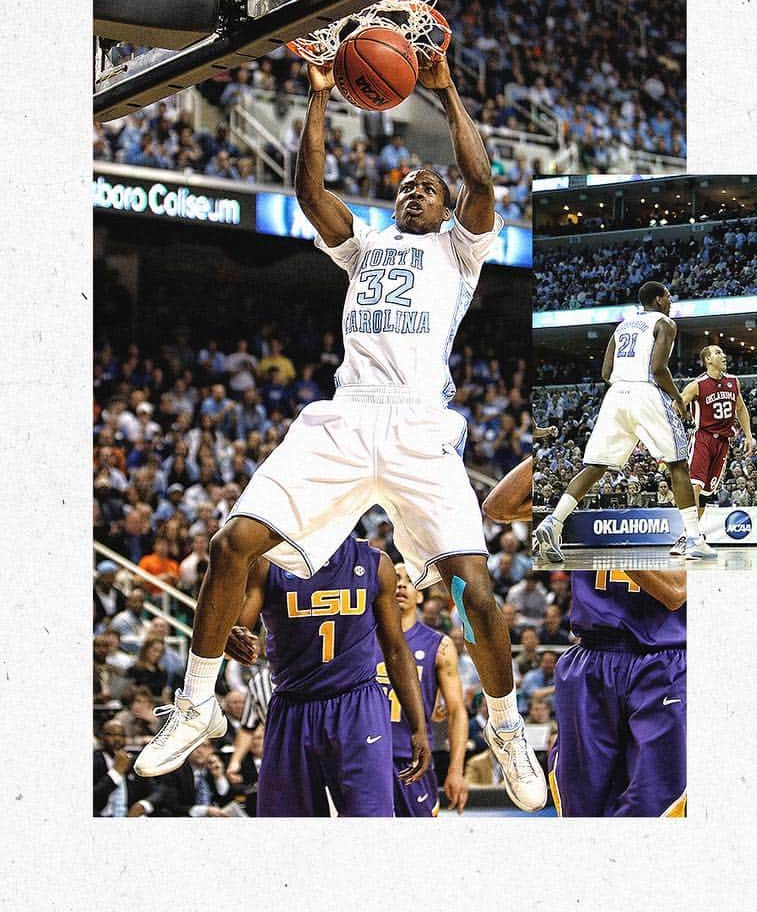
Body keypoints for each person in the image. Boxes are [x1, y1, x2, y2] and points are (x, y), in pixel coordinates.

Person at [134, 55, 546, 813]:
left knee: (477, 594)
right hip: (346, 416)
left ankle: (506, 725)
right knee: (231, 545)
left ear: (448, 206)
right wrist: (320, 97)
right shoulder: (364, 248)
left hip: (420, 422)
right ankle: (196, 703)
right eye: (403, 187)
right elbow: (308, 192)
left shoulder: (459, 250)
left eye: (426, 186)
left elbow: (484, 184)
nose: (411, 190)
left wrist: (446, 86)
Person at [220, 533, 429, 816]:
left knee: (370, 827)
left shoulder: (375, 562)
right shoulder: (269, 561)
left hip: (357, 705)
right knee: (287, 835)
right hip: (293, 705)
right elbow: (237, 631)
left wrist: (418, 726)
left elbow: (395, 649)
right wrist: (232, 636)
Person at [532, 282, 708, 561]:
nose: (671, 302)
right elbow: (658, 369)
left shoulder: (623, 326)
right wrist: (677, 398)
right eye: (669, 297)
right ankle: (695, 540)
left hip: (615, 396)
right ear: (659, 300)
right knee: (678, 464)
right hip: (645, 392)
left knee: (595, 467)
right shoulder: (665, 323)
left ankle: (554, 522)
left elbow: (605, 371)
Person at [548, 570, 686, 817]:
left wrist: (609, 535)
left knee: (653, 803)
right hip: (593, 652)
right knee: (579, 807)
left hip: (664, 657)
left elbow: (675, 592)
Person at [376, 564, 469, 817]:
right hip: (368, 758)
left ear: (420, 595)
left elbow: (457, 711)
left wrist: (455, 770)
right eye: (395, 578)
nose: (401, 584)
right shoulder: (362, 638)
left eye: (409, 580)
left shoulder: (439, 645)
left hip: (413, 761)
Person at [678, 345, 753, 539]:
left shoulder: (733, 382)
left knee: (706, 492)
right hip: (703, 437)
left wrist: (749, 436)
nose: (724, 355)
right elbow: (676, 405)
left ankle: (692, 534)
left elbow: (741, 409)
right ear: (708, 360)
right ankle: (691, 535)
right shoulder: (698, 384)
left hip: (724, 442)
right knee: (694, 485)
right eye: (718, 353)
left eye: (723, 352)